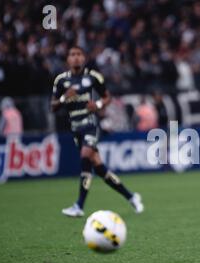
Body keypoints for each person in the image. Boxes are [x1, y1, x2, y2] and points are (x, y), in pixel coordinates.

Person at [51, 46, 144, 217]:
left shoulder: (93, 77)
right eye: (72, 55)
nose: (76, 58)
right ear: (68, 59)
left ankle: (79, 205)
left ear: (84, 57)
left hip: (91, 124)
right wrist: (64, 98)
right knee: (100, 169)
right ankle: (131, 196)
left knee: (85, 156)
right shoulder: (61, 81)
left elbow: (107, 97)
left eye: (79, 54)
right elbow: (53, 107)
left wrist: (98, 105)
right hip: (75, 127)